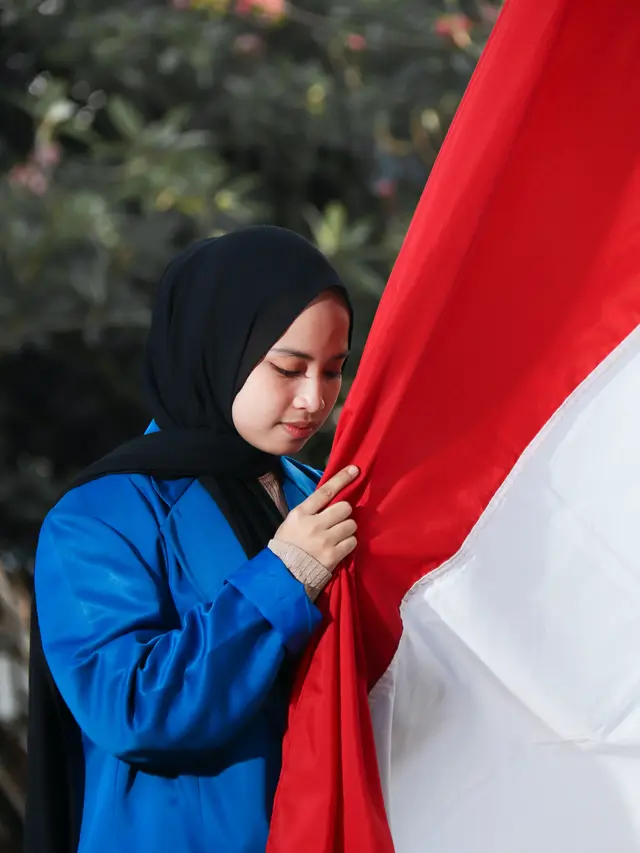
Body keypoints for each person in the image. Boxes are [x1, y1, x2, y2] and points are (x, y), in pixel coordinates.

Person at [25, 226, 359, 853]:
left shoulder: (322, 495)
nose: (314, 398)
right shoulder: (98, 517)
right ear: (217, 349)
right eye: (288, 368)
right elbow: (133, 708)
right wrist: (283, 579)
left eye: (334, 370)